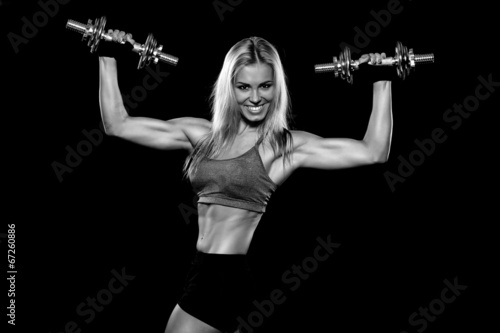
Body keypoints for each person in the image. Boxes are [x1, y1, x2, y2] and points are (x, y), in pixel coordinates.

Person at [98, 30, 392, 333]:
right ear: (230, 87)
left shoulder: (281, 147)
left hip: (223, 277)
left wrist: (381, 79)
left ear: (277, 88)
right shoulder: (201, 136)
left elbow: (373, 151)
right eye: (243, 87)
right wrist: (109, 54)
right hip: (203, 271)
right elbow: (117, 124)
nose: (255, 98)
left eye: (265, 86)